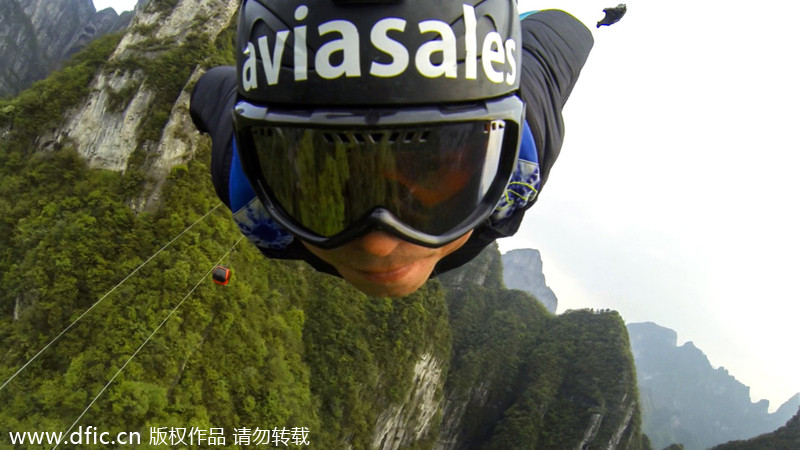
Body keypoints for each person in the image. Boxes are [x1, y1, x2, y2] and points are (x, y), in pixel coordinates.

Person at [190, 0, 593, 297]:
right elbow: (563, 36)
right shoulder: (523, 157)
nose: (377, 242)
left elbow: (212, 91)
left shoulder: (249, 192)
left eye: (431, 168)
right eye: (325, 180)